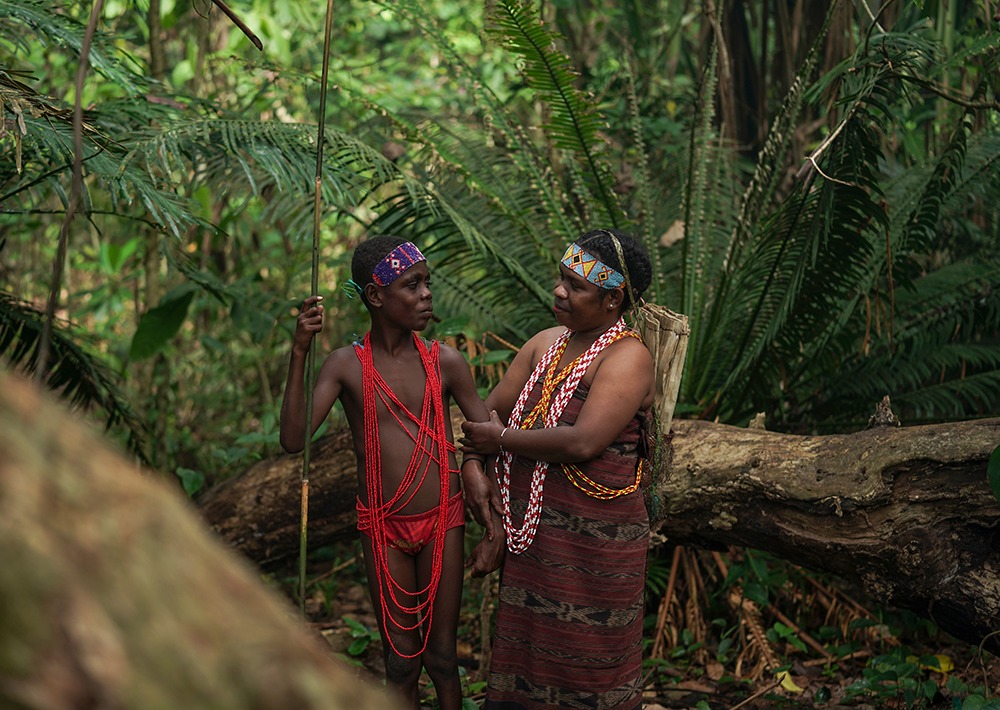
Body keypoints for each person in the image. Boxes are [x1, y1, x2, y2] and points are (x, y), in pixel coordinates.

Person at [279, 235, 496, 710]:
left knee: (441, 659)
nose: (426, 294)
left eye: (427, 283)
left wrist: (493, 521)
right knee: (400, 663)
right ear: (375, 296)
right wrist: (299, 351)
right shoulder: (346, 366)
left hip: (444, 520)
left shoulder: (446, 362)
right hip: (381, 526)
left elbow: (487, 434)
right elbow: (294, 440)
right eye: (411, 285)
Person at [461, 228, 655, 710]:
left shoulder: (628, 358)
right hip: (535, 541)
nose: (560, 291)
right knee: (527, 662)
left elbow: (584, 441)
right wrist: (471, 461)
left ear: (614, 300)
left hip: (596, 551)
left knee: (591, 667)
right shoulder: (544, 344)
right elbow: (488, 413)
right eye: (561, 278)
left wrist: (499, 439)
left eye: (577, 285)